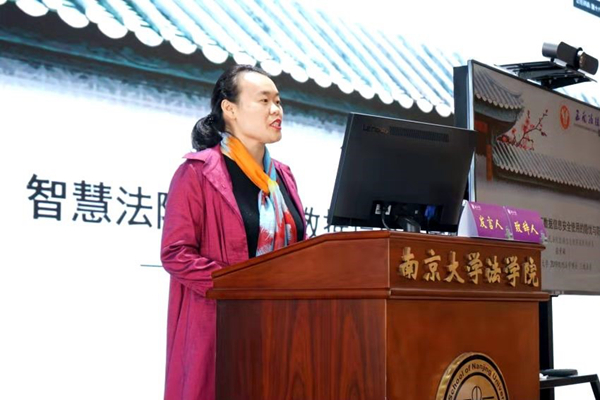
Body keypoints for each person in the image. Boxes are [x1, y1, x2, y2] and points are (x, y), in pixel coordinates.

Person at [160, 64, 306, 400]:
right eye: (264, 100)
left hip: (281, 332)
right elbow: (176, 254)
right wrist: (241, 286)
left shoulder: (283, 177)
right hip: (219, 330)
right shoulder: (197, 172)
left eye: (278, 101)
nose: (277, 110)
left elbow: (300, 253)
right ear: (230, 109)